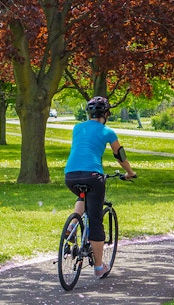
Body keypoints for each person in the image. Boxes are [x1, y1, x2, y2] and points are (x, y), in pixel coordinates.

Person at [64, 96, 136, 279]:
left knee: (82, 196)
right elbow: (119, 155)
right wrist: (130, 173)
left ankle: (72, 225)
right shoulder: (108, 131)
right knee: (96, 220)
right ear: (107, 114)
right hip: (93, 176)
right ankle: (98, 267)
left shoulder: (77, 128)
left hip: (71, 175)